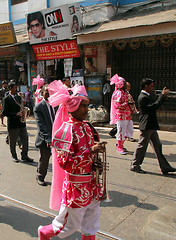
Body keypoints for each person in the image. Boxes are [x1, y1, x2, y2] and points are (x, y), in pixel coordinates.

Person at [38, 81, 106, 240]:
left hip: (93, 186)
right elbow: (65, 163)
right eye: (83, 106)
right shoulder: (65, 130)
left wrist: (97, 159)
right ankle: (43, 233)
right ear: (73, 105)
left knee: (91, 225)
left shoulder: (88, 127)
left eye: (87, 105)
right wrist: (90, 152)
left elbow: (91, 153)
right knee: (67, 227)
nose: (86, 109)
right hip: (76, 189)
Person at [130, 78, 176, 175]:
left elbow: (155, 105)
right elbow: (153, 107)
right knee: (142, 145)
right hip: (147, 124)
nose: (153, 88)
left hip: (151, 124)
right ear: (146, 86)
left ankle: (165, 167)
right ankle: (135, 165)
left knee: (158, 146)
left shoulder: (147, 95)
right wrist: (162, 96)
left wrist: (163, 98)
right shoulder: (143, 97)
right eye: (151, 86)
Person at [2, 81, 33, 163]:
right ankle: (14, 156)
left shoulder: (19, 97)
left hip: (21, 123)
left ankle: (24, 155)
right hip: (13, 124)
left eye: (17, 87)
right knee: (12, 141)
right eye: (15, 88)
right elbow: (4, 112)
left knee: (25, 139)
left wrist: (25, 110)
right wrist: (16, 114)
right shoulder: (6, 99)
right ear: (10, 88)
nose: (17, 89)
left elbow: (21, 106)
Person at [34, 84, 55, 186]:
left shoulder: (55, 104)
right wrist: (48, 139)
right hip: (45, 138)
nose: (48, 94)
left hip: (56, 136)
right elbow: (41, 125)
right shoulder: (39, 107)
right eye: (46, 92)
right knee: (45, 158)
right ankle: (40, 176)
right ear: (42, 93)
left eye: (50, 92)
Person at [110, 74, 130, 155]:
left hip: (127, 115)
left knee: (128, 131)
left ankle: (120, 144)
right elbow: (117, 105)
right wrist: (125, 104)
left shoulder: (125, 92)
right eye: (124, 83)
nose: (125, 84)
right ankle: (120, 147)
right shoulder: (117, 93)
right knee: (121, 131)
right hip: (121, 115)